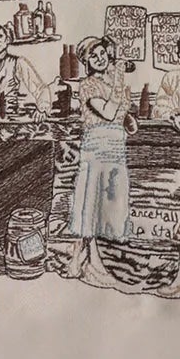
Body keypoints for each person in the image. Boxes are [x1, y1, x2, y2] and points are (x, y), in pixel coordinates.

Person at [66, 36, 135, 269]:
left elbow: (119, 113)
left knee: (111, 199)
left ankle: (91, 258)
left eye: (102, 53)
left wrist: (129, 121)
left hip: (116, 144)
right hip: (97, 145)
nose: (99, 58)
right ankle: (89, 257)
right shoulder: (88, 85)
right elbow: (107, 111)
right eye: (93, 56)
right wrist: (119, 77)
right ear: (86, 62)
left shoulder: (111, 82)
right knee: (92, 198)